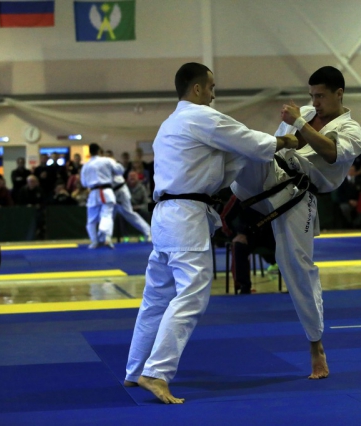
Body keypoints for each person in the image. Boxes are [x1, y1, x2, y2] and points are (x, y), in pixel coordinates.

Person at [124, 62, 298, 404]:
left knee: (156, 297)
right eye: (211, 87)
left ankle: (135, 369)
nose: (214, 94)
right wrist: (285, 140)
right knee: (192, 294)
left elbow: (232, 156)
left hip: (166, 215)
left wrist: (254, 153)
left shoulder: (169, 124)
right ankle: (156, 372)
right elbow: (248, 140)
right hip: (185, 217)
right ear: (198, 88)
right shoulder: (201, 117)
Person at [231, 66, 361, 382]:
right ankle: (198, 203)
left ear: (339, 94)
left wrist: (301, 124)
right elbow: (278, 144)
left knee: (295, 266)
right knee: (239, 145)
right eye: (312, 96)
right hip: (269, 175)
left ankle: (316, 344)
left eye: (321, 96)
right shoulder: (304, 112)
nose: (315, 102)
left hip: (298, 194)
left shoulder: (353, 130)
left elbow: (330, 153)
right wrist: (290, 128)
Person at [81, 143, 124, 249]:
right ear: (99, 151)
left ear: (90, 152)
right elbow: (120, 171)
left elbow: (84, 183)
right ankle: (106, 236)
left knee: (91, 220)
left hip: (93, 193)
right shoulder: (107, 160)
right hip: (107, 191)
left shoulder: (86, 165)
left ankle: (94, 241)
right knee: (106, 215)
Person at [104, 151, 151, 241]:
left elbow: (120, 171)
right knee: (108, 216)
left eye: (109, 156)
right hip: (111, 193)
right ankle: (105, 237)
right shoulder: (102, 167)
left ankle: (148, 232)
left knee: (128, 214)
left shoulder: (114, 164)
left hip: (120, 191)